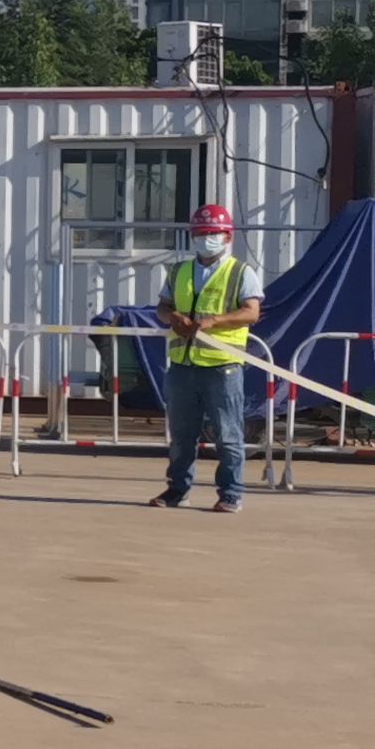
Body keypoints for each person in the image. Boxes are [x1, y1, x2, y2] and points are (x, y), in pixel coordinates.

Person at [153, 201, 263, 514]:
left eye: (212, 234)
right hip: (183, 365)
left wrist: (212, 322)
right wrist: (172, 317)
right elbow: (162, 307)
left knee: (227, 435)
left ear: (228, 237)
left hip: (222, 366)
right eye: (200, 234)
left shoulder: (240, 272)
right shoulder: (180, 271)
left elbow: (251, 312)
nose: (206, 239)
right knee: (181, 436)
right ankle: (177, 490)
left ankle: (231, 493)